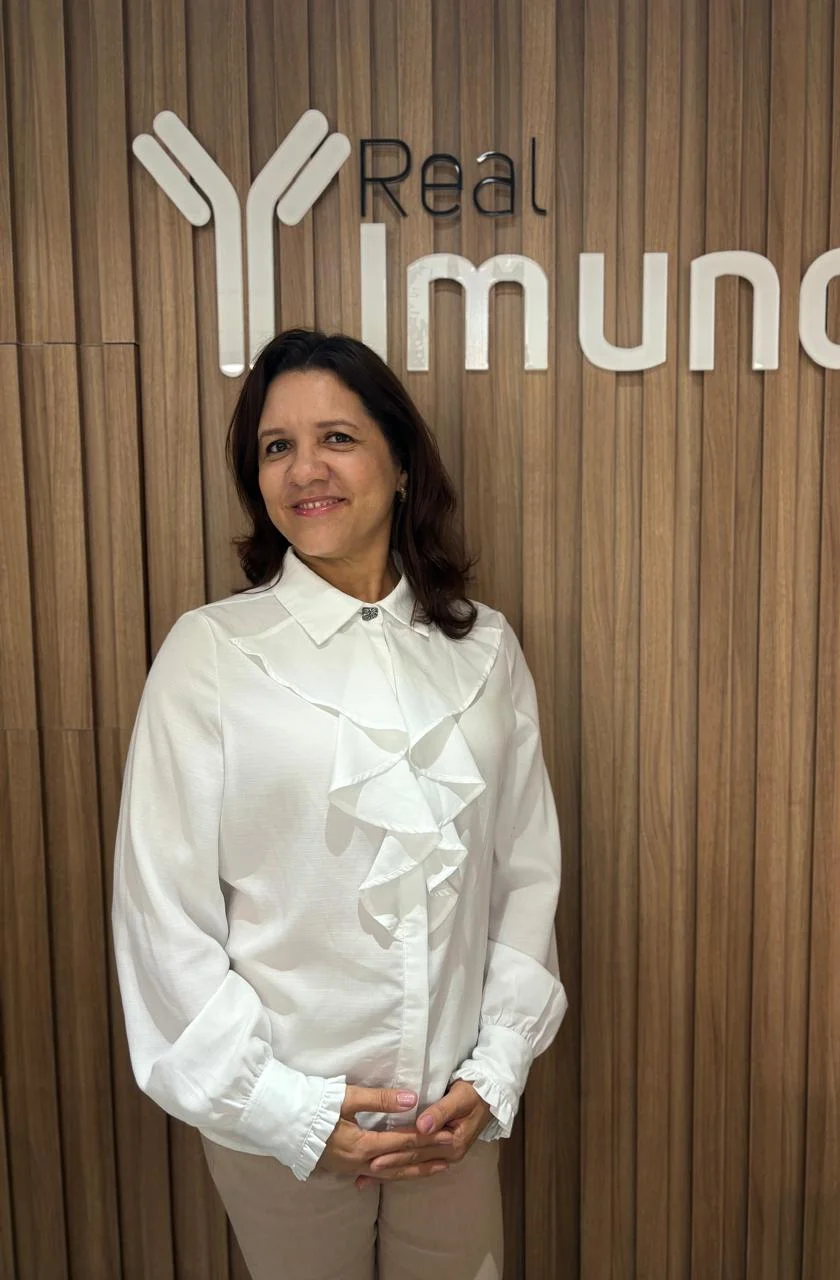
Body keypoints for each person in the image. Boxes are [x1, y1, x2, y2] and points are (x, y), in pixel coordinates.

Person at [112, 329, 567, 1280]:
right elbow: (163, 914)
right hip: (281, 1128)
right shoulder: (210, 654)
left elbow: (525, 873)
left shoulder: (484, 648)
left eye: (338, 438)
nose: (305, 469)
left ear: (401, 465)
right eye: (276, 446)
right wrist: (287, 1111)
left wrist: (496, 1069)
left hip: (452, 1118)